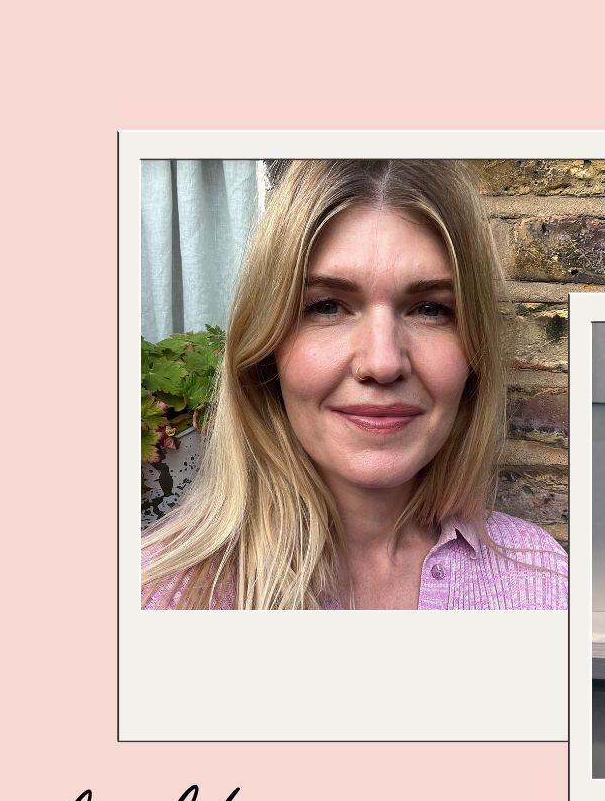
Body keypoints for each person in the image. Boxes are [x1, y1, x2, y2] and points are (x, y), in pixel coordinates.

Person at [142, 160, 567, 610]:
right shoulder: (158, 598)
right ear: (266, 351)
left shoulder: (541, 578)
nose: (382, 364)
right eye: (327, 306)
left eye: (430, 309)